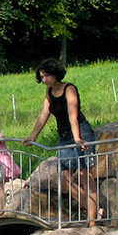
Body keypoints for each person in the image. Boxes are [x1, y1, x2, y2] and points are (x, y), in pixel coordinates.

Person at [24, 58, 100, 225]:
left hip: (81, 132)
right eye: (42, 77)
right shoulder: (49, 91)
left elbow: (73, 115)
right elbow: (44, 114)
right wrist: (32, 136)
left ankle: (92, 220)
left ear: (55, 74)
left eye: (47, 76)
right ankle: (94, 209)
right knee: (65, 181)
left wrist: (78, 138)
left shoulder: (69, 88)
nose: (44, 80)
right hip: (64, 136)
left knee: (85, 175)